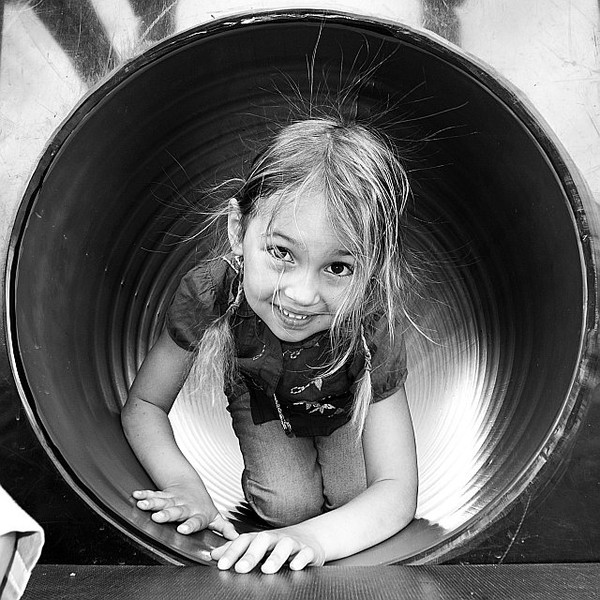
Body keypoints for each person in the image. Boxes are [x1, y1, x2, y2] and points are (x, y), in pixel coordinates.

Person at [121, 116, 418, 574]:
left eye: (338, 267)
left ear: (372, 267)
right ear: (239, 230)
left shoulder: (372, 319)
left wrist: (312, 541)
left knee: (355, 500)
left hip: (341, 408)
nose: (302, 294)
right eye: (282, 253)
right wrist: (185, 484)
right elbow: (143, 404)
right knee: (285, 508)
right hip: (263, 398)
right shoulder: (212, 291)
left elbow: (396, 489)